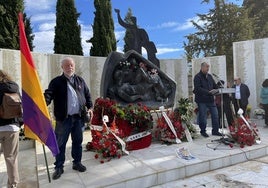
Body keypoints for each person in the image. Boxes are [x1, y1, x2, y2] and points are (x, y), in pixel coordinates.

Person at [44, 57, 93, 180]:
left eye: (71, 65)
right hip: (63, 119)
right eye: (66, 65)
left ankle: (77, 163)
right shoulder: (56, 82)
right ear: (62, 67)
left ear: (74, 66)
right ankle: (59, 167)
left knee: (77, 142)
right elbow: (48, 95)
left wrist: (90, 108)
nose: (69, 67)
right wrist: (42, 103)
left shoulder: (80, 80)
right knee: (60, 144)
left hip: (79, 118)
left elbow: (87, 96)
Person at [0, 70, 22, 188]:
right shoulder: (14, 87)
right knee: (11, 158)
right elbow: (22, 107)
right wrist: (19, 124)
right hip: (12, 128)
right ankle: (12, 185)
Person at [193, 62, 222, 137]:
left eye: (208, 67)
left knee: (215, 115)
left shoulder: (209, 76)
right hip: (202, 100)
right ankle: (203, 131)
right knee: (203, 116)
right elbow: (198, 88)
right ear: (202, 67)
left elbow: (214, 86)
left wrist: (218, 88)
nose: (208, 69)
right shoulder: (197, 77)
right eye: (206, 67)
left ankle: (215, 131)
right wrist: (208, 92)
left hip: (211, 100)